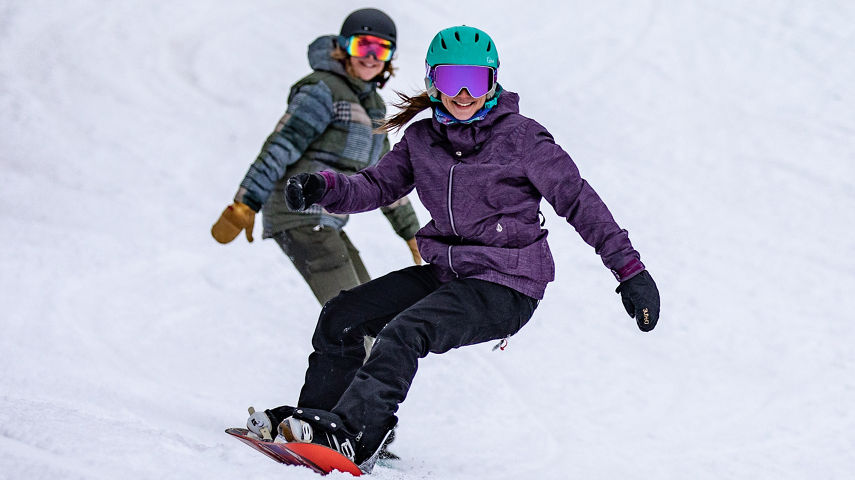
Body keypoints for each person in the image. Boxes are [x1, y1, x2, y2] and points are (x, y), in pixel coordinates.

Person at [243, 26, 661, 473]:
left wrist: (630, 271)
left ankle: (356, 434)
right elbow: (374, 186)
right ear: (431, 83)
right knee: (343, 315)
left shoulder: (523, 140)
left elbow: (579, 201)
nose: (463, 93)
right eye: (449, 80)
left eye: (475, 81)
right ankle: (318, 424)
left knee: (405, 331)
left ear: (493, 82)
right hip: (450, 272)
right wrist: (322, 186)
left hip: (508, 284)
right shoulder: (422, 141)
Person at [211, 8, 422, 306]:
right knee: (353, 314)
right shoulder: (322, 89)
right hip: (299, 211)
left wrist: (411, 233)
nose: (371, 56)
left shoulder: (373, 106)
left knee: (371, 310)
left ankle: (362, 352)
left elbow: (385, 179)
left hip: (326, 218)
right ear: (343, 47)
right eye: (363, 45)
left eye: (382, 48)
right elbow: (281, 145)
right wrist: (246, 202)